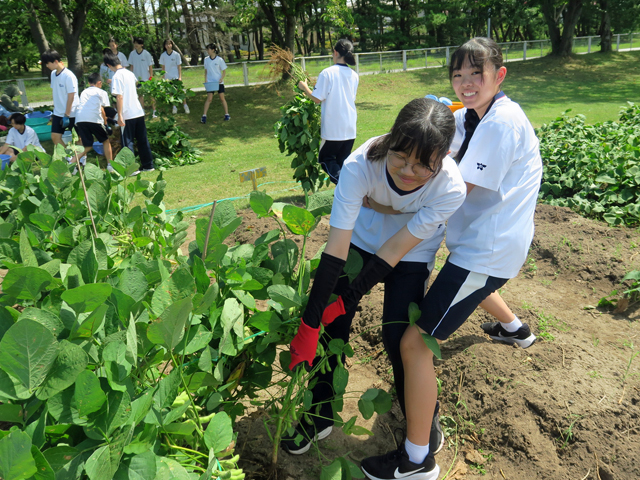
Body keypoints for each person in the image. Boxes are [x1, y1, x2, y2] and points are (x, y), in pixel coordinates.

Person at [359, 37, 542, 480]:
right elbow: (447, 145)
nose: (465, 83)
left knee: (414, 343)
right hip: (484, 248)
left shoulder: (500, 124)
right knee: (461, 288)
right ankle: (515, 330)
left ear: (499, 76)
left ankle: (418, 460)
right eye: (458, 75)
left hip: (487, 251)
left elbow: (457, 192)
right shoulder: (478, 116)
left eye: (476, 74)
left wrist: (388, 205)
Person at [283, 98, 466, 459]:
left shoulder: (450, 188)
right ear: (393, 139)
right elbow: (336, 246)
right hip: (361, 241)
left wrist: (349, 298)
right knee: (330, 329)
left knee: (399, 337)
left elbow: (397, 248)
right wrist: (311, 322)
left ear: (443, 156)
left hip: (410, 252)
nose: (408, 171)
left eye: (422, 165)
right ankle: (319, 413)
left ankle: (423, 421)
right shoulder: (360, 165)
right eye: (401, 157)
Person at [297, 39, 359, 184]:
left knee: (327, 160)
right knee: (343, 163)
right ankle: (351, 191)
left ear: (336, 53)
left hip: (334, 127)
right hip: (349, 127)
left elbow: (317, 99)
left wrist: (304, 87)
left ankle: (349, 189)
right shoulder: (354, 75)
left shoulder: (327, 73)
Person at [104, 51, 155, 174]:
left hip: (127, 114)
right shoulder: (130, 73)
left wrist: (120, 115)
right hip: (138, 111)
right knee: (142, 140)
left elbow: (119, 97)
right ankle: (148, 165)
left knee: (127, 142)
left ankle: (132, 169)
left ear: (108, 65)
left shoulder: (116, 76)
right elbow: (136, 85)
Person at [74, 73, 114, 172]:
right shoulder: (101, 92)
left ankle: (77, 164)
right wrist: (106, 125)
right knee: (105, 141)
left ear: (89, 82)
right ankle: (110, 165)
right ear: (99, 82)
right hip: (94, 120)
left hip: (79, 119)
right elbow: (102, 110)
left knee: (86, 144)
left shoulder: (83, 92)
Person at [40, 49, 79, 148]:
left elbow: (71, 96)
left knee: (78, 138)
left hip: (72, 113)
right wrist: (55, 111)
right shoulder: (53, 74)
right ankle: (69, 159)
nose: (47, 66)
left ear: (56, 61)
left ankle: (81, 160)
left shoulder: (69, 76)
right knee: (55, 137)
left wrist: (67, 114)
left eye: (47, 63)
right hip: (58, 113)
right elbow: (57, 93)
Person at [201, 44, 229, 124]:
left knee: (222, 98)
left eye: (208, 49)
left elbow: (224, 71)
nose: (207, 51)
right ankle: (204, 116)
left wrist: (221, 78)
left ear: (213, 50)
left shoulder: (219, 60)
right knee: (209, 99)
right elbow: (206, 71)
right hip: (210, 82)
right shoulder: (206, 59)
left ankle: (227, 114)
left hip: (219, 82)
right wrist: (206, 79)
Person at [159, 39, 189, 114]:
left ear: (172, 45)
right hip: (167, 78)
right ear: (164, 46)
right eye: (166, 44)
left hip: (175, 76)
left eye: (169, 44)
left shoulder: (176, 54)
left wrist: (180, 77)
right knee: (170, 93)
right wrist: (163, 77)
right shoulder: (163, 55)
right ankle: (174, 107)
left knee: (180, 91)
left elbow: (179, 66)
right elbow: (163, 67)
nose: (168, 46)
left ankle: (185, 106)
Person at [128, 37, 156, 115]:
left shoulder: (146, 54)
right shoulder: (132, 54)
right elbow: (132, 66)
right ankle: (142, 110)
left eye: (138, 43)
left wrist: (151, 77)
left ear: (142, 45)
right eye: (135, 43)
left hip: (146, 78)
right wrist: (131, 77)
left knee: (151, 95)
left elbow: (150, 66)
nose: (136, 45)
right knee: (140, 95)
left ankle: (154, 111)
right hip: (137, 78)